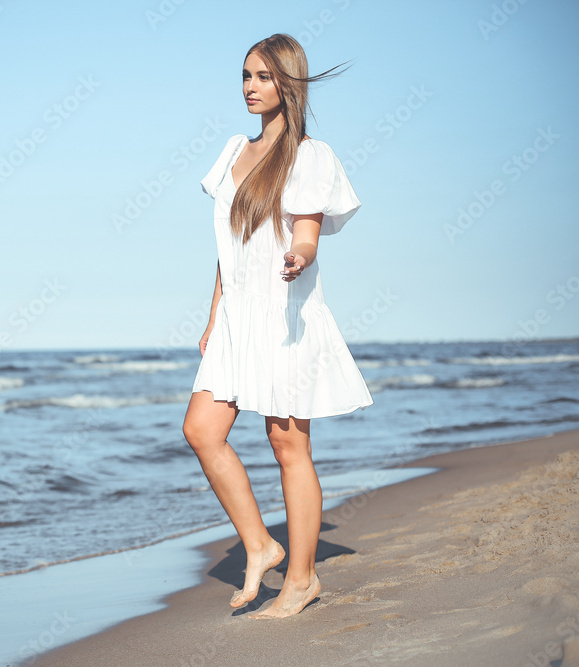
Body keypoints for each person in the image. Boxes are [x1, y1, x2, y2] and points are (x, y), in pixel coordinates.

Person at [182, 33, 374, 619]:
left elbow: (308, 231)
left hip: (285, 312)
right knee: (201, 430)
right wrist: (214, 315)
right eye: (245, 75)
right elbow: (227, 247)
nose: (249, 87)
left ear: (287, 83)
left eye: (263, 77)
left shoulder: (310, 155)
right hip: (237, 317)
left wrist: (301, 254)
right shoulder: (233, 151)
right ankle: (261, 544)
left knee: (287, 442)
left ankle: (302, 577)